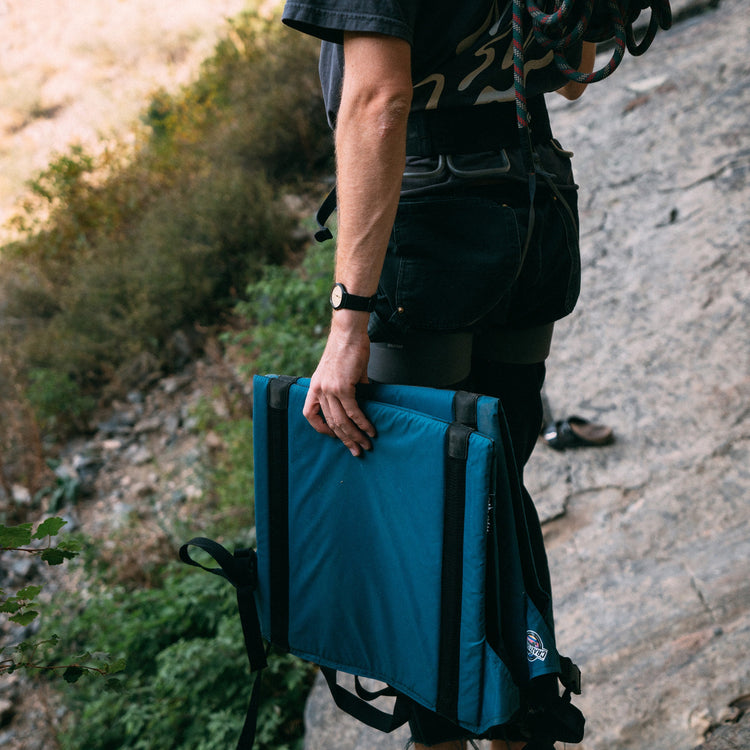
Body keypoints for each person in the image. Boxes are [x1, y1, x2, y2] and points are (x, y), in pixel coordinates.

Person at [282, 2, 595, 748]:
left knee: (424, 525)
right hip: (530, 217)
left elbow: (377, 98)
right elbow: (577, 69)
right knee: (495, 507)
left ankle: (458, 734)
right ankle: (528, 719)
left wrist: (348, 321)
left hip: (431, 243)